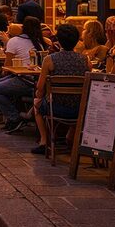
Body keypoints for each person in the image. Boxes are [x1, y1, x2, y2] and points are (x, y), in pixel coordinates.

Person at [29, 24, 88, 155]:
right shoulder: (85, 60)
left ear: (59, 41)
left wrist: (39, 96)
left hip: (56, 107)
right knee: (77, 97)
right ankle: (70, 136)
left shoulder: (49, 59)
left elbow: (40, 87)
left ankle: (44, 141)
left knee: (37, 104)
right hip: (79, 109)